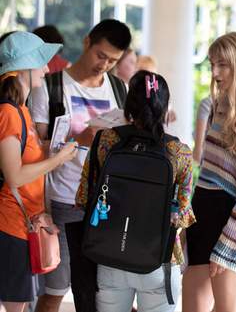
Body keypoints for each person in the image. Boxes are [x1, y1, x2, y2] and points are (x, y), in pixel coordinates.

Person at [30, 19, 131, 312]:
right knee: (55, 290)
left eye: (112, 61)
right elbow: (35, 147)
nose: (104, 65)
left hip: (106, 202)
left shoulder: (119, 89)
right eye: (101, 55)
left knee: (97, 290)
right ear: (87, 42)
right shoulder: (51, 86)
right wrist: (78, 139)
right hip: (62, 198)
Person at [74, 71, 195, 312]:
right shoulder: (179, 152)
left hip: (110, 257)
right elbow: (182, 215)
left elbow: (83, 199)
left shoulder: (104, 141)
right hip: (159, 261)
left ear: (129, 105)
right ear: (165, 107)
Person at [182, 32, 236, 312]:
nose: (215, 72)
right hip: (203, 209)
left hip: (233, 216)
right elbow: (206, 168)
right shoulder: (218, 104)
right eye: (212, 64)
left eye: (223, 65)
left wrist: (232, 240)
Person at [0, 31, 77, 312]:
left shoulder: (21, 110)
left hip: (23, 222)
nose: (47, 69)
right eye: (41, 61)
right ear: (21, 68)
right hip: (10, 223)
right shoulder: (9, 113)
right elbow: (16, 176)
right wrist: (57, 160)